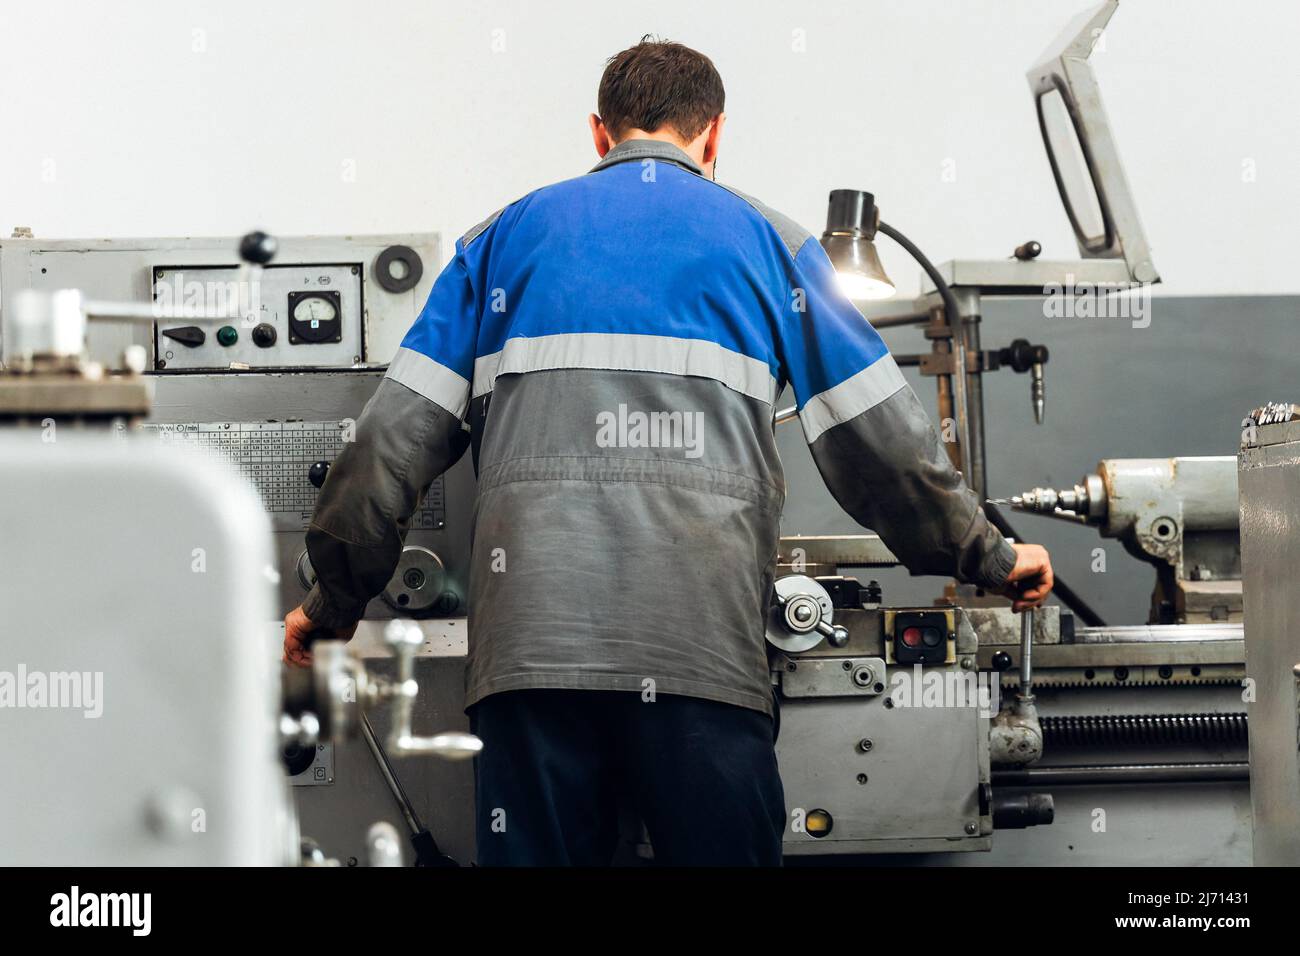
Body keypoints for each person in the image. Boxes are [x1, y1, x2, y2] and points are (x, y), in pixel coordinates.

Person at [283, 37, 1054, 866]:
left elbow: (384, 449)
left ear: (598, 134)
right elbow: (884, 444)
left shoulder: (499, 242)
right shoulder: (773, 244)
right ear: (714, 137)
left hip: (533, 666)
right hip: (701, 660)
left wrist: (331, 606)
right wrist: (989, 556)